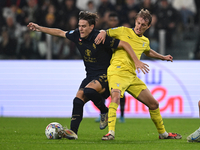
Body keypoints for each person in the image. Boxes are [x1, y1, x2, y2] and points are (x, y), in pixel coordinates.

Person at [27, 11, 149, 140]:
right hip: (90, 75)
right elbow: (60, 32)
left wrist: (136, 61)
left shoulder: (100, 38)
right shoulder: (76, 35)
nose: (80, 29)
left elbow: (124, 44)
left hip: (106, 75)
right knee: (78, 100)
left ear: (91, 27)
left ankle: (104, 111)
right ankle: (73, 132)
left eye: (84, 26)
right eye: (79, 25)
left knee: (89, 90)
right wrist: (40, 28)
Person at [95, 9, 182, 140]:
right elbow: (105, 32)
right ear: (135, 21)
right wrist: (102, 32)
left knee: (154, 104)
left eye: (143, 25)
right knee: (116, 97)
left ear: (148, 26)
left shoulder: (145, 41)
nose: (139, 27)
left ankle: (163, 134)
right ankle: (110, 133)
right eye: (138, 23)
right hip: (117, 71)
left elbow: (148, 51)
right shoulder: (123, 31)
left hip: (131, 76)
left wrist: (163, 57)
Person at [95, 12, 126, 123]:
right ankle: (102, 113)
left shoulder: (122, 33)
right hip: (106, 64)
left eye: (115, 20)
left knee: (120, 91)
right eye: (111, 20)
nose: (113, 22)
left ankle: (122, 115)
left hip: (119, 65)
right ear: (107, 21)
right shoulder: (104, 34)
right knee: (102, 89)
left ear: (117, 21)